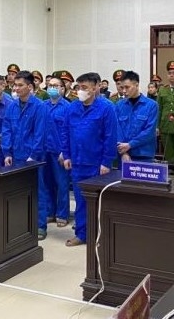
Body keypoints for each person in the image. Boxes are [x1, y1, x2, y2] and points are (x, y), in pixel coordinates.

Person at [62, 72, 117, 247]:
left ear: (95, 88)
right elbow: (65, 132)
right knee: (80, 200)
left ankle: (100, 236)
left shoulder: (106, 108)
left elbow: (110, 136)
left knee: (99, 201)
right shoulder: (72, 107)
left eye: (84, 87)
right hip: (77, 162)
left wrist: (106, 162)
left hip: (97, 163)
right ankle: (82, 234)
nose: (80, 91)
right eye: (78, 87)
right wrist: (66, 155)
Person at [1, 71, 48, 239]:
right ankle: (21, 223)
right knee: (16, 190)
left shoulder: (40, 106)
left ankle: (40, 225)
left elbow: (40, 133)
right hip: (15, 155)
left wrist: (33, 155)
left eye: (20, 85)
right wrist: (6, 152)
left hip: (33, 157)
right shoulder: (12, 106)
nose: (16, 88)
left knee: (37, 190)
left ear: (29, 86)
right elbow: (6, 130)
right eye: (15, 85)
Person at [43, 76, 70, 228]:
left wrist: (65, 152)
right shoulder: (43, 106)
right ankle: (49, 212)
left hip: (59, 152)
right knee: (47, 182)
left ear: (62, 89)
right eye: (50, 85)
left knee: (62, 184)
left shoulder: (67, 107)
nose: (52, 88)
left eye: (55, 85)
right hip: (45, 150)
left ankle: (62, 214)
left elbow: (70, 131)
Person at [115, 71, 158, 164]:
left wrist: (130, 144)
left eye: (127, 87)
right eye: (122, 87)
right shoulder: (119, 105)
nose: (124, 91)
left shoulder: (151, 105)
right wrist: (124, 152)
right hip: (124, 154)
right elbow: (117, 129)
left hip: (143, 154)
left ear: (136, 85)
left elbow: (149, 131)